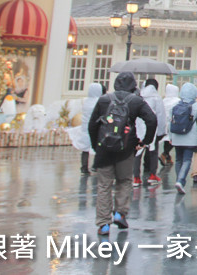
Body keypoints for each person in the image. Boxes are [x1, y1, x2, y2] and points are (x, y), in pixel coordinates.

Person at [88, 73, 156, 236]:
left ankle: (104, 223)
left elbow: (92, 125)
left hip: (104, 147)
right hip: (126, 147)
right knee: (124, 180)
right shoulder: (136, 101)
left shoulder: (104, 99)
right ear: (133, 85)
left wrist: (96, 145)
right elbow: (152, 119)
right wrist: (145, 141)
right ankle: (120, 213)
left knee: (104, 185)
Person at [168, 82, 197, 194]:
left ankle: (178, 181)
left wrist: (170, 136)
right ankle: (180, 181)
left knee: (178, 159)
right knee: (187, 160)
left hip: (176, 137)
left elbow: (169, 122)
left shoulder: (175, 106)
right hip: (190, 138)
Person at [134, 78, 165, 188]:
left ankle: (136, 177)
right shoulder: (157, 98)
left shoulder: (138, 96)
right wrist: (161, 132)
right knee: (153, 151)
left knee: (137, 152)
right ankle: (152, 175)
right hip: (153, 127)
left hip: (139, 127)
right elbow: (161, 116)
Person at [68, 83, 103, 175]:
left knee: (85, 149)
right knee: (97, 147)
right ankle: (95, 166)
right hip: (95, 127)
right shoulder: (99, 101)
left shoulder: (86, 101)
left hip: (85, 128)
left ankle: (84, 167)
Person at [159, 83, 179, 166]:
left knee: (166, 140)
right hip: (173, 123)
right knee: (173, 140)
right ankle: (165, 154)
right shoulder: (177, 101)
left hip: (164, 123)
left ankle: (168, 157)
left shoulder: (164, 100)